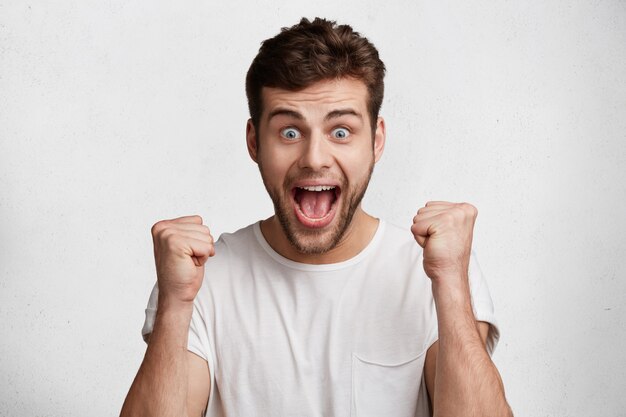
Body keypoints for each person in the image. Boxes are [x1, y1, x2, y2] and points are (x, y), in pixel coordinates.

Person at [120, 17, 513, 417]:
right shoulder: (202, 279)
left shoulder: (432, 271)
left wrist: (449, 282)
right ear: (255, 142)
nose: (314, 158)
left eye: (340, 131)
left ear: (376, 141)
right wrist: (175, 302)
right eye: (290, 132)